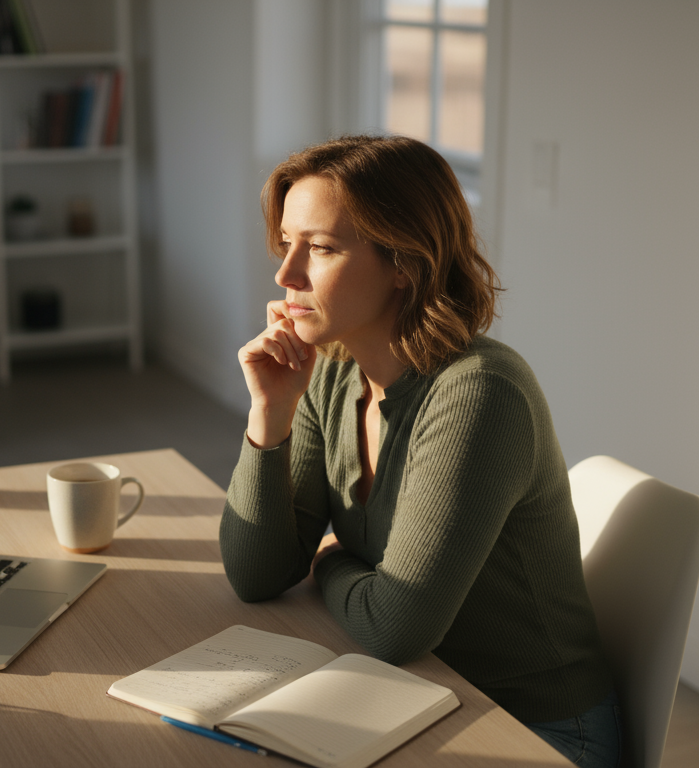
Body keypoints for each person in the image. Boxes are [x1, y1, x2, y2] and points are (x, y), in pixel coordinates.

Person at [219, 134, 620, 768]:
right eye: (286, 244)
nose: (285, 275)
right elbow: (257, 575)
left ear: (406, 261)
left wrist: (328, 560)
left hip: (531, 728)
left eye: (319, 248)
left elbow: (394, 628)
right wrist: (270, 415)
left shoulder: (479, 394)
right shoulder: (331, 369)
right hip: (416, 697)